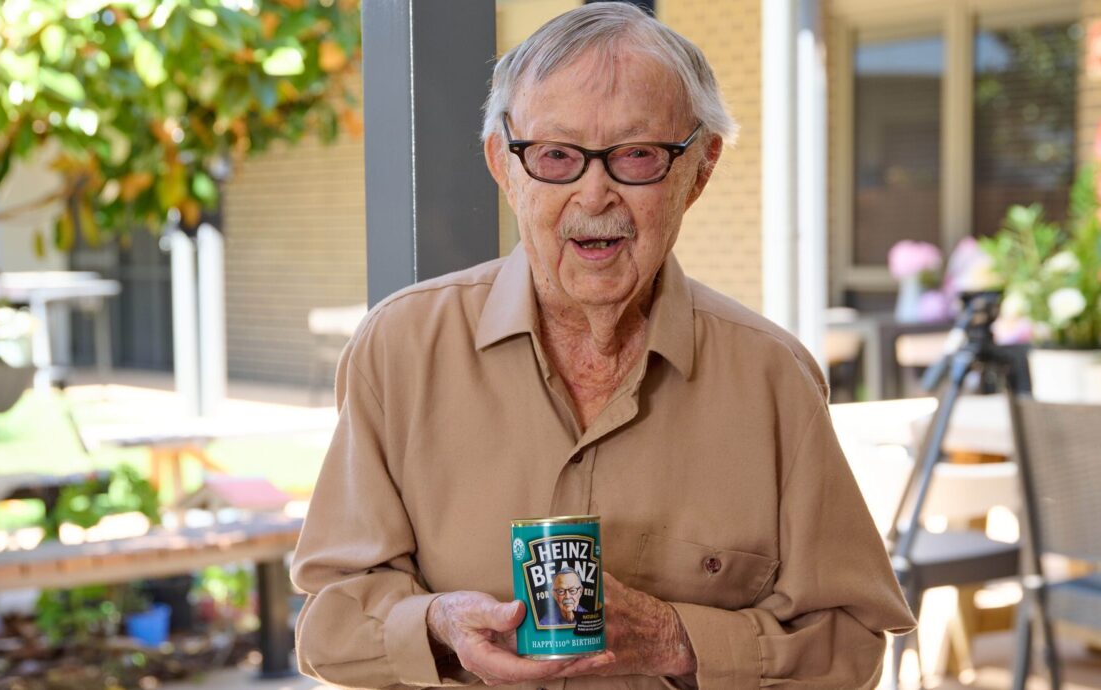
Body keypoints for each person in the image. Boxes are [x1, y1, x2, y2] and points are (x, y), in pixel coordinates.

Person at [291, 3, 916, 689]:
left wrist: (678, 640)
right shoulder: (400, 349)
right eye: (556, 155)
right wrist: (438, 626)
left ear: (699, 170)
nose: (595, 193)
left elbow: (853, 644)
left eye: (637, 156)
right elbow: (328, 627)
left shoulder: (773, 378)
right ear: (504, 164)